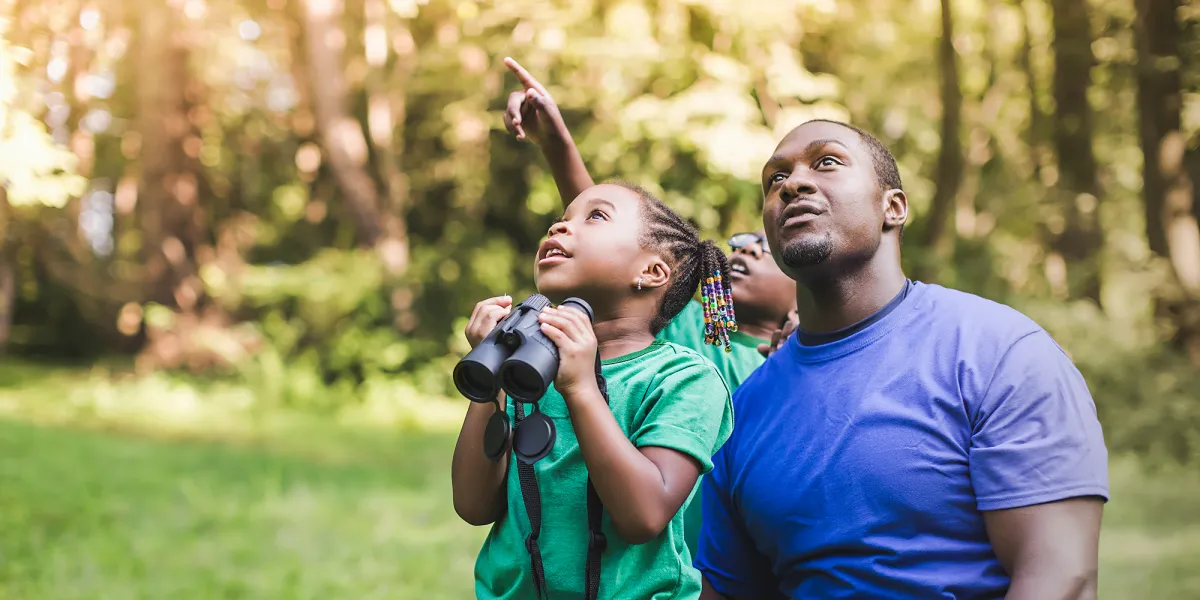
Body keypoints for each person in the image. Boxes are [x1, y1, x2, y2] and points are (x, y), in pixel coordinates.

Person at [695, 119, 1110, 599]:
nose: (793, 184)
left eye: (827, 162)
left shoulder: (998, 352)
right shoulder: (741, 412)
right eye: (775, 180)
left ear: (892, 207)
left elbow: (1061, 577)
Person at [499, 56, 796, 555]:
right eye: (739, 246)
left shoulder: (794, 363)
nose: (744, 251)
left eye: (763, 250)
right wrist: (557, 144)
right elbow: (615, 254)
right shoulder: (696, 336)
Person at [452, 181, 735, 599]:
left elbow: (643, 515)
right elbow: (473, 505)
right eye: (562, 219)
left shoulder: (683, 378)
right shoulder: (525, 370)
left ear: (651, 272)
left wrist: (581, 389)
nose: (559, 227)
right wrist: (489, 384)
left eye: (595, 216)